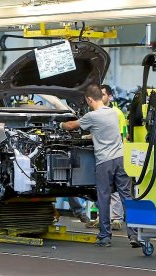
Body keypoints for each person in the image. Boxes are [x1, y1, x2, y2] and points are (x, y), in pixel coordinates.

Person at [59, 84, 139, 248]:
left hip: (105, 162)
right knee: (126, 197)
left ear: (89, 99)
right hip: (120, 159)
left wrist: (59, 125)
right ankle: (134, 235)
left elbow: (72, 126)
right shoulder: (113, 112)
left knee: (104, 198)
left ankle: (104, 236)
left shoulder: (92, 116)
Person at [86, 85, 126, 230]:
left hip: (112, 156)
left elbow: (120, 135)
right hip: (110, 156)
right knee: (105, 192)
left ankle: (116, 219)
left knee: (113, 193)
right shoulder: (96, 113)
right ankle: (104, 220)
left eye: (103, 95)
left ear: (109, 97)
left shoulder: (116, 113)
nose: (100, 97)